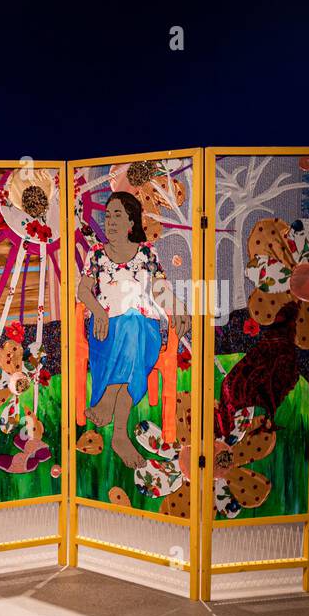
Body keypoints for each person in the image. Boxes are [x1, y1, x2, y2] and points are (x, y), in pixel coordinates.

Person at [77, 191, 189, 468]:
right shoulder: (97, 254)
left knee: (134, 322)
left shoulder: (147, 252)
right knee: (128, 325)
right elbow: (82, 290)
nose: (111, 220)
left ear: (130, 222)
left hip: (146, 332)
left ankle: (108, 400)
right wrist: (100, 311)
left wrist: (177, 305)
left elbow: (160, 288)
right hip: (106, 330)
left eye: (118, 215)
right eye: (108, 214)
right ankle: (119, 435)